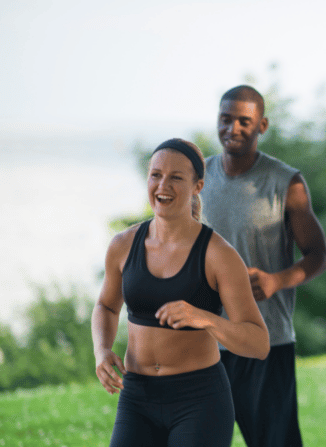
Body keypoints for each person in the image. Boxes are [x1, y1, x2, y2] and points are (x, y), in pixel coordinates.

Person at [91, 138, 270, 447]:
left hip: (199, 400)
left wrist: (205, 319)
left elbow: (259, 343)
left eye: (176, 177)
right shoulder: (123, 245)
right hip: (137, 396)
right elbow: (107, 306)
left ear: (197, 185)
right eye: (156, 174)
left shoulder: (219, 255)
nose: (163, 185)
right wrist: (102, 350)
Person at [200, 85, 326, 447]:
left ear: (262, 125)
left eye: (245, 121)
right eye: (226, 119)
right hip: (207, 338)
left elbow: (318, 254)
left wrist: (276, 280)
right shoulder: (199, 179)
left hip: (266, 340)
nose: (233, 128)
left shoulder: (287, 182)